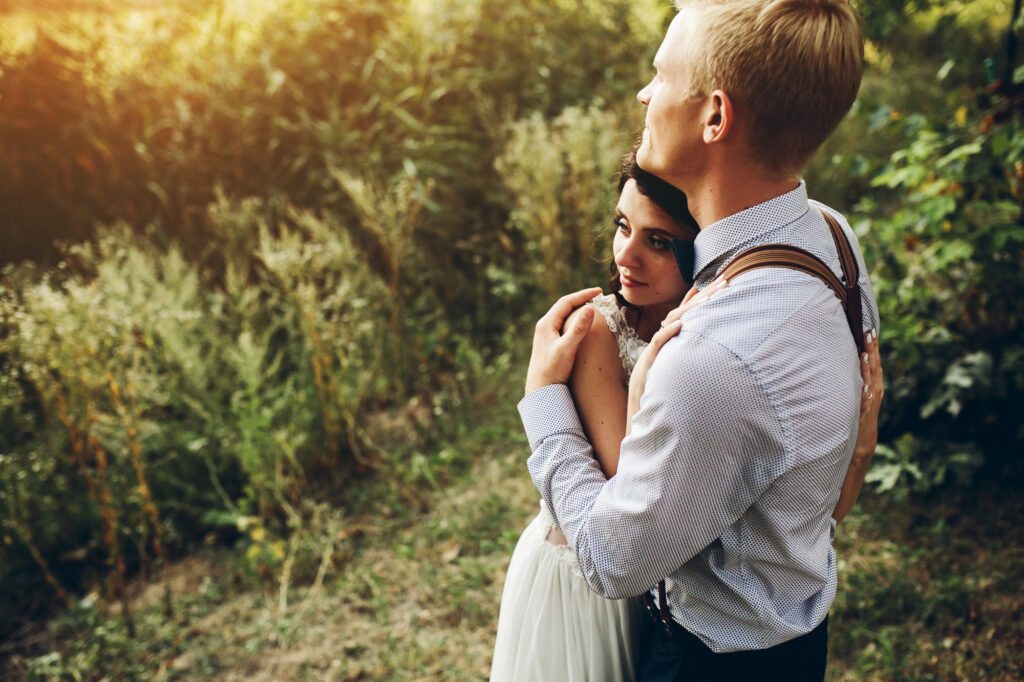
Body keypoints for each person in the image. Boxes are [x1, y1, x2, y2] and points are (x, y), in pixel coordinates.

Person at [519, 1, 880, 680]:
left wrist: (543, 400)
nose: (644, 94)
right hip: (801, 634)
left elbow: (611, 560)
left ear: (715, 116)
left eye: (660, 75)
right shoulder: (831, 237)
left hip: (708, 661)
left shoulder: (712, 356)